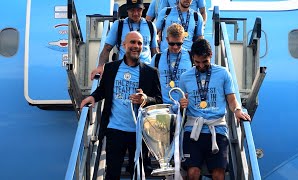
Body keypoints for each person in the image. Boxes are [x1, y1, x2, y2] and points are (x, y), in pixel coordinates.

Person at [80, 31, 162, 179]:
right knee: (112, 174)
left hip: (139, 132)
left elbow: (158, 100)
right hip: (114, 129)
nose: (136, 46)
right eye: (132, 42)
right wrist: (92, 97)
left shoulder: (151, 72)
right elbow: (104, 90)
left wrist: (145, 99)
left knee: (138, 173)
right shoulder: (110, 68)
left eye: (139, 43)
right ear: (124, 45)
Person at [179, 39, 251, 180]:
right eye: (197, 62)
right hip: (193, 129)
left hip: (217, 129)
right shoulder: (184, 77)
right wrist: (182, 103)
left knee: (218, 174)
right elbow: (180, 103)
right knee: (193, 173)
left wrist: (237, 110)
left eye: (205, 62)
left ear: (211, 55)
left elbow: (231, 99)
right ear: (192, 58)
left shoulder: (223, 73)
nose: (201, 66)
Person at [90, 0, 158, 80]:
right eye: (132, 10)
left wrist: (157, 71)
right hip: (124, 72)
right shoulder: (118, 25)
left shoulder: (150, 26)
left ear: (142, 10)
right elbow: (107, 48)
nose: (136, 13)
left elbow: (154, 51)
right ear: (127, 10)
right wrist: (100, 66)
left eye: (138, 10)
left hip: (145, 71)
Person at [150, 23, 193, 104]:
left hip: (185, 106)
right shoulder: (157, 58)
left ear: (183, 39)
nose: (175, 47)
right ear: (167, 39)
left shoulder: (191, 57)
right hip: (163, 106)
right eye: (172, 43)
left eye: (179, 44)